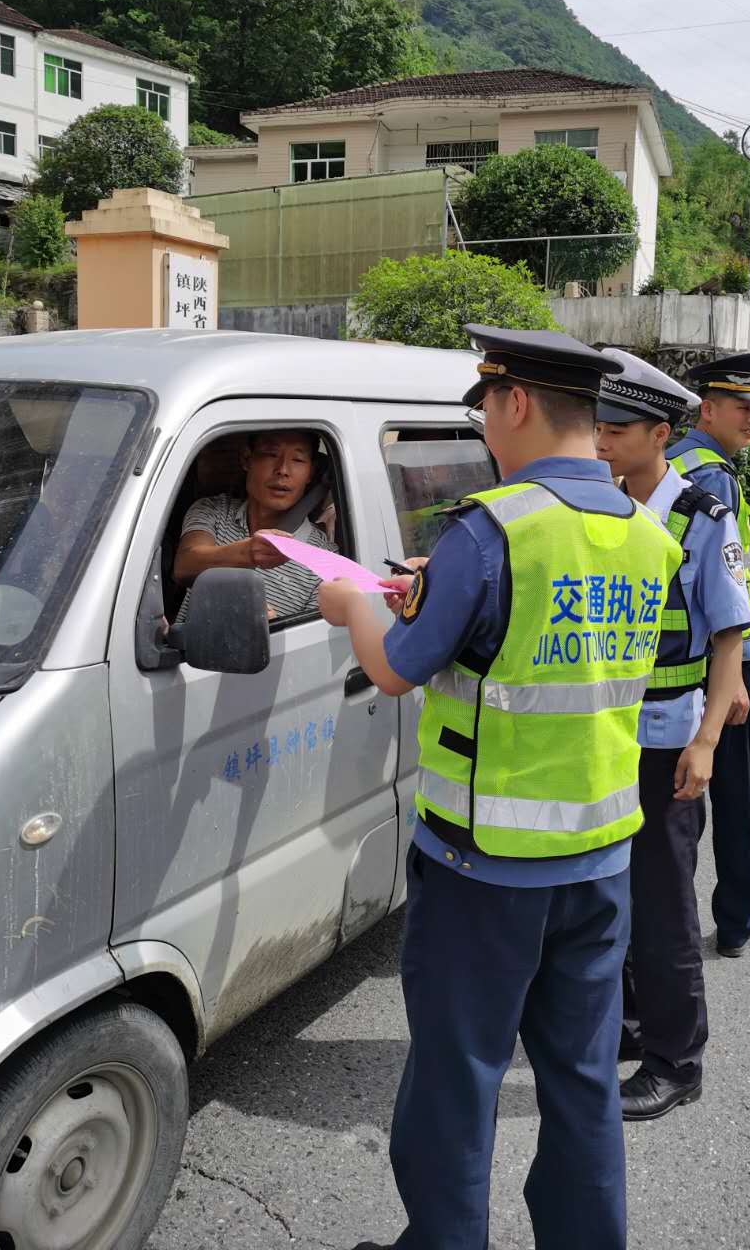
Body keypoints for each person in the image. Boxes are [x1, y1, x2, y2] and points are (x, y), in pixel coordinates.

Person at [318, 326, 683, 1250]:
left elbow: (397, 670)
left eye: (485, 406)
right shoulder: (647, 532)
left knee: (459, 1074)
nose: (484, 425)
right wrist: (437, 595)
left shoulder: (493, 527)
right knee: (583, 1077)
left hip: (485, 867)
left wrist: (356, 602)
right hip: (600, 860)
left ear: (515, 402)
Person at [594, 351, 750, 1121]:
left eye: (617, 429)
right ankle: (631, 1028)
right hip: (606, 737)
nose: (601, 440)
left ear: (661, 433)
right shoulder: (603, 506)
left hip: (667, 736)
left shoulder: (700, 516)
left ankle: (676, 1059)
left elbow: (729, 641)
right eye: (597, 425)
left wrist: (707, 743)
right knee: (615, 893)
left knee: (662, 906)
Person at [665, 352, 750, 958]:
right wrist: (727, 676)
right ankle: (734, 920)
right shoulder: (710, 474)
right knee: (737, 795)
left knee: (679, 795)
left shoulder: (677, 460)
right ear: (706, 409)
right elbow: (706, 580)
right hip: (723, 660)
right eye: (743, 406)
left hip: (679, 657)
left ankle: (669, 917)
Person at [173, 427, 333, 623]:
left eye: (298, 460)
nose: (283, 470)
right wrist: (247, 553)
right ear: (247, 459)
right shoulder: (213, 510)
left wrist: (269, 627)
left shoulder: (325, 560)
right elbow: (185, 566)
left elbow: (308, 642)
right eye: (271, 454)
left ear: (311, 472)